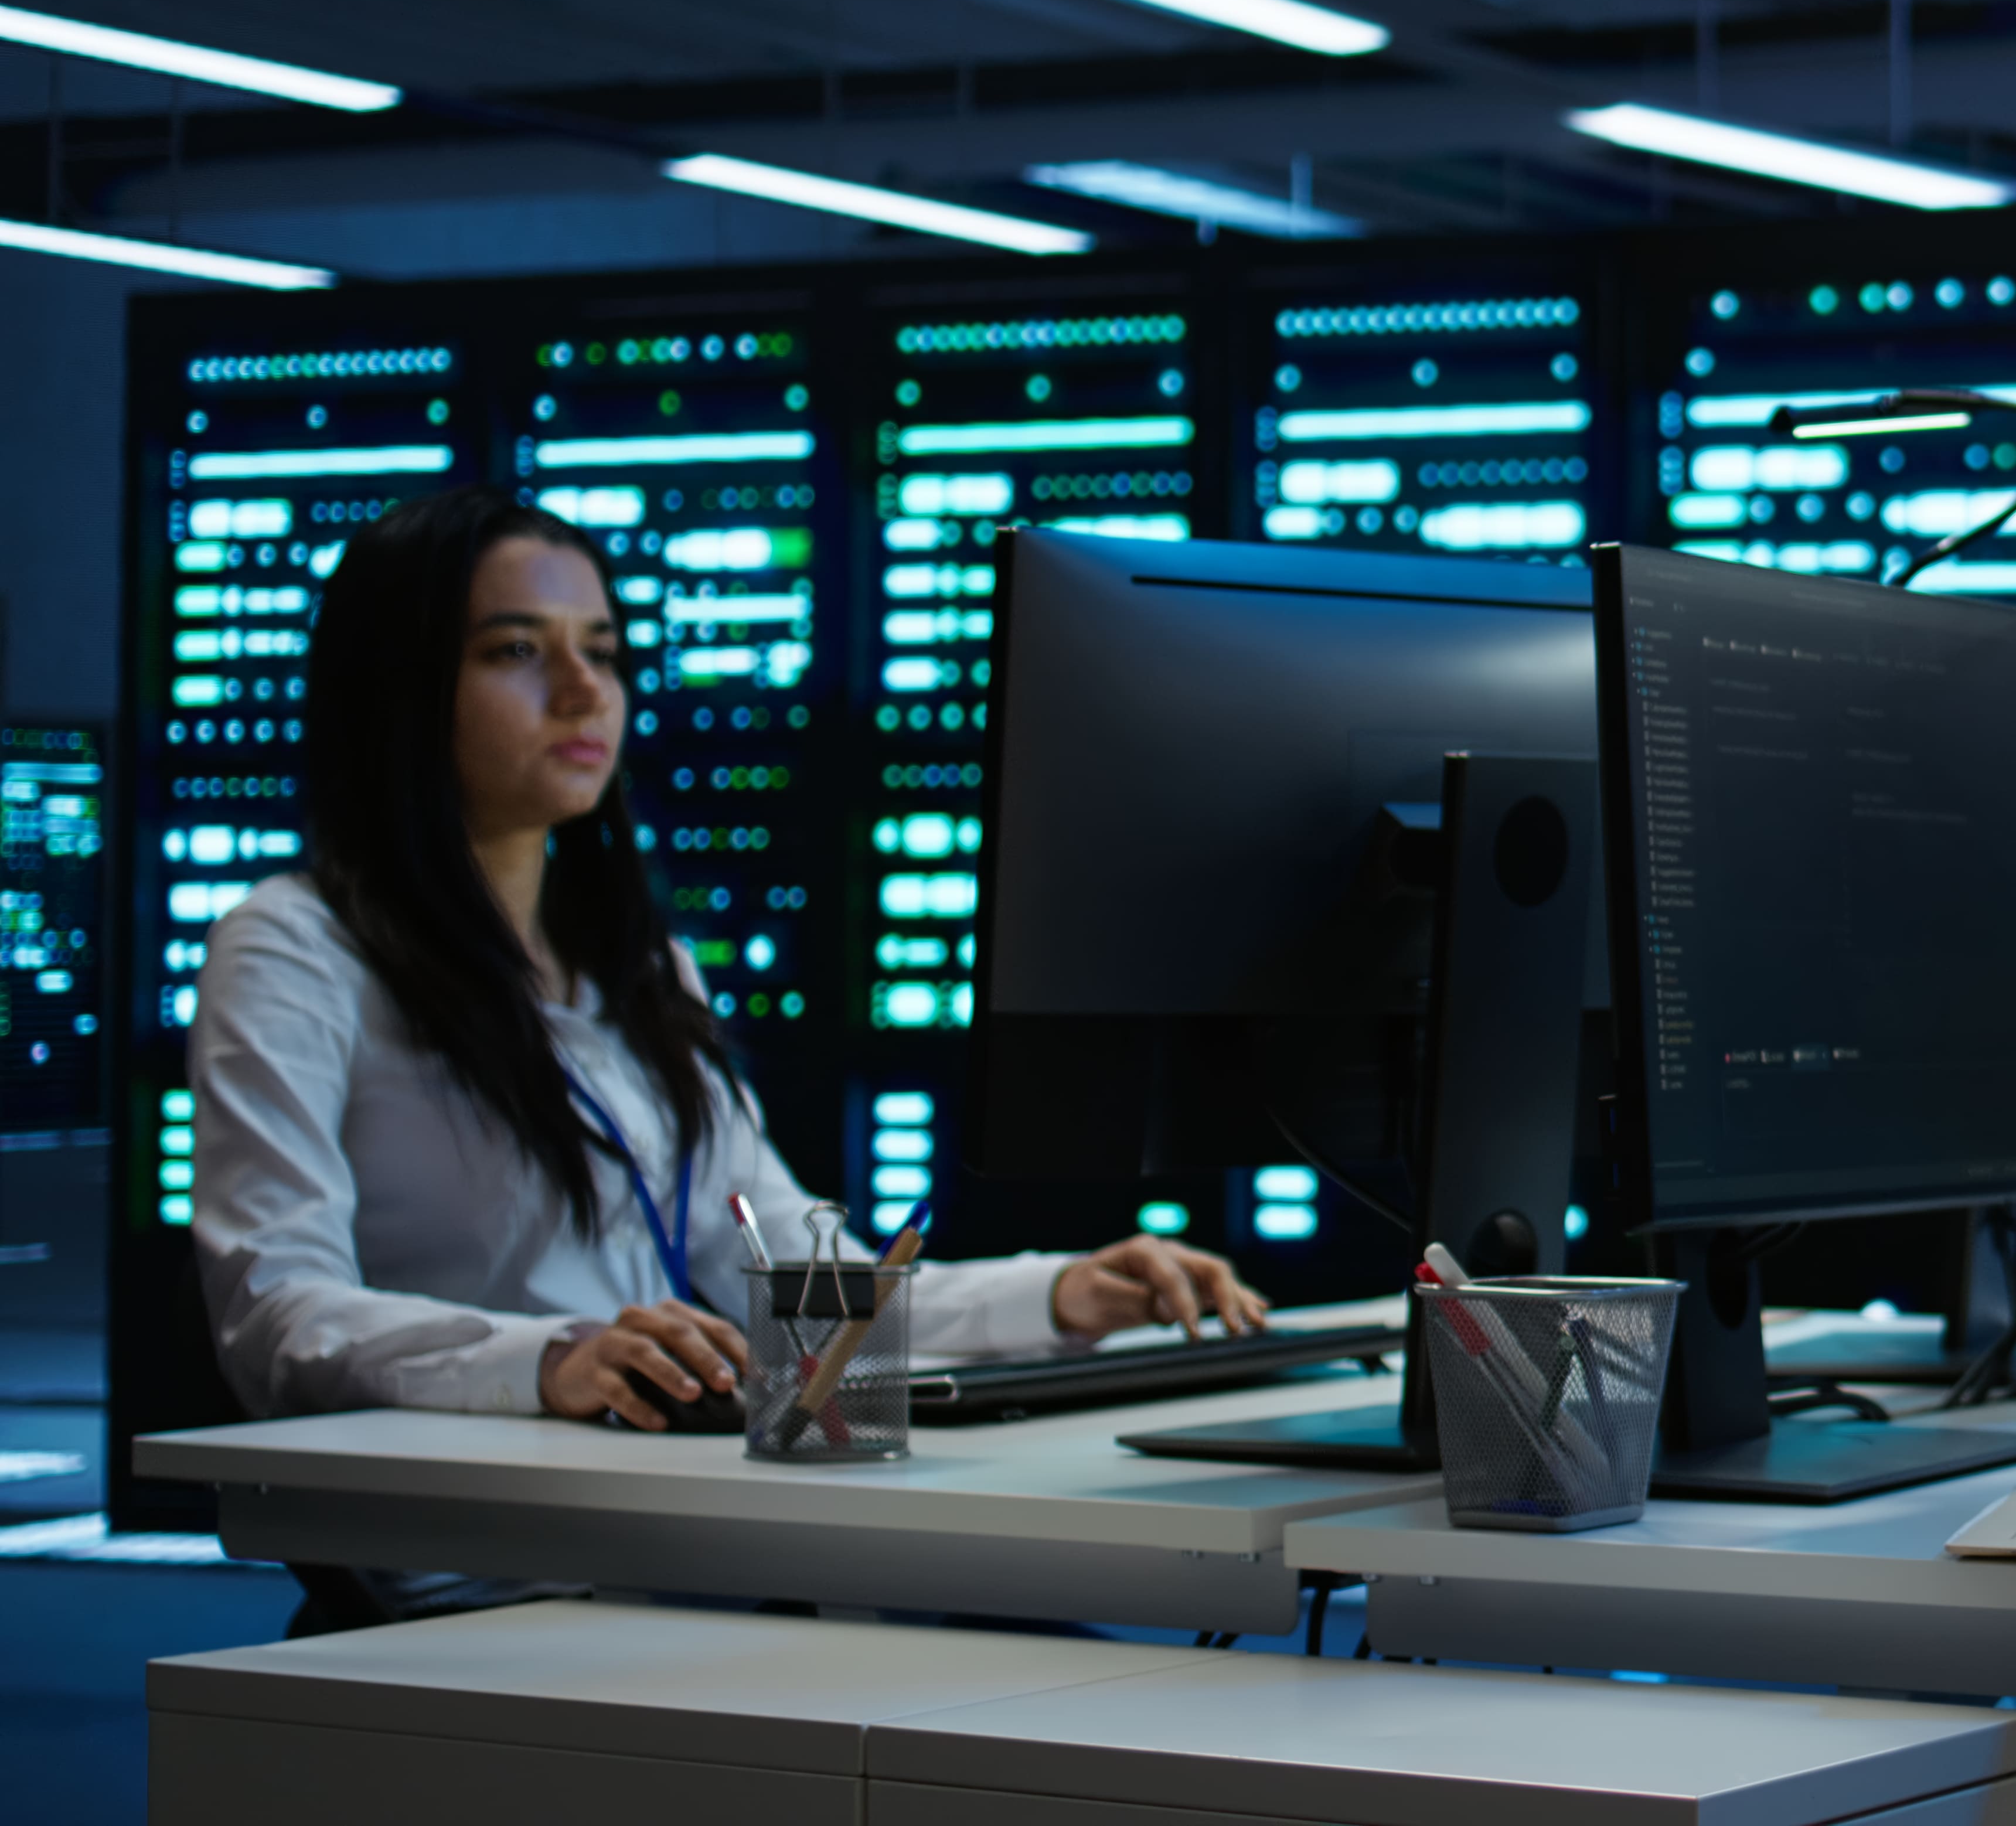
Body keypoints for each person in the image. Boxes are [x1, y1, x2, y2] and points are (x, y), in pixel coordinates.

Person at [192, 490, 1268, 1614]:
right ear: (400, 688)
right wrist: (551, 1360)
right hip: (483, 1573)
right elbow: (279, 1312)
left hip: (684, 1533)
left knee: (1052, 1640)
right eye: (517, 650)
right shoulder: (295, 946)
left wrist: (1060, 1294)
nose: (581, 689)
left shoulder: (637, 967)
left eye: (601, 652)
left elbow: (783, 1282)